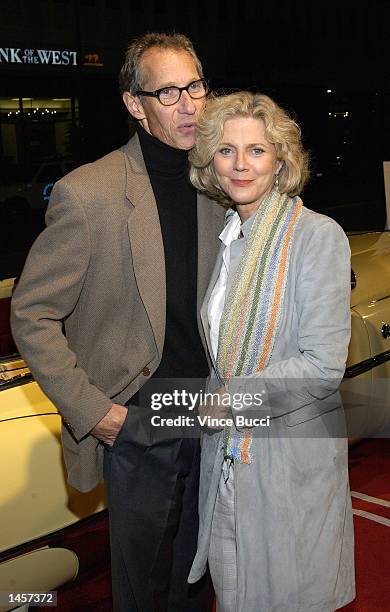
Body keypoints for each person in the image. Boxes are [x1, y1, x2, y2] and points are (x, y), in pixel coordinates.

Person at [11, 33, 224, 612]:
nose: (190, 105)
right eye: (169, 92)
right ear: (136, 104)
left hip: (210, 408)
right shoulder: (88, 195)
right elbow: (31, 316)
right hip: (138, 414)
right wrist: (96, 413)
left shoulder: (217, 182)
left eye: (197, 86)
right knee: (143, 584)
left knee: (202, 568)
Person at [187, 92, 355, 611]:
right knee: (235, 593)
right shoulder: (224, 236)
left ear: (280, 160)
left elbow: (323, 364)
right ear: (209, 160)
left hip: (285, 458)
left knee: (284, 594)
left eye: (257, 150)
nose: (241, 165)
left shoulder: (316, 236)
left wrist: (232, 399)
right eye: (226, 150)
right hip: (226, 456)